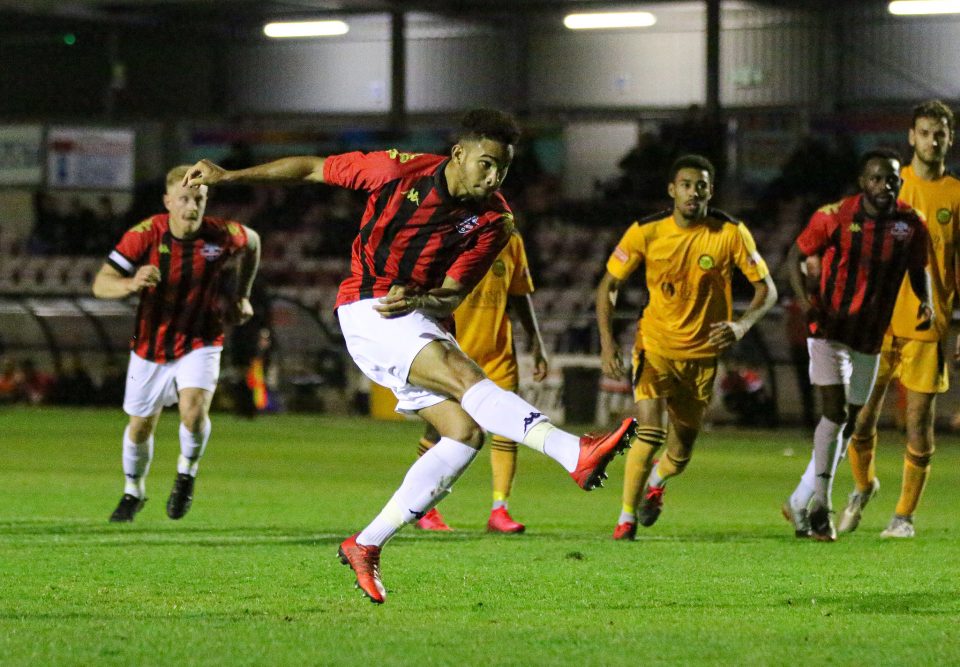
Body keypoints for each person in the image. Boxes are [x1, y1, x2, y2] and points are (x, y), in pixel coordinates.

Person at [183, 108, 635, 604]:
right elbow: (313, 168)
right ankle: (573, 452)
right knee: (466, 376)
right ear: (458, 154)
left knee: (464, 435)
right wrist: (230, 176)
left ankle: (366, 543)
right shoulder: (400, 170)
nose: (494, 176)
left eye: (503, 168)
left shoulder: (495, 221)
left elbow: (451, 294)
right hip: (366, 304)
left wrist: (421, 300)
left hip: (413, 314)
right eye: (486, 163)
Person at [596, 154, 778, 541]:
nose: (693, 192)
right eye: (686, 184)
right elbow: (607, 286)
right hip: (654, 347)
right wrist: (608, 343)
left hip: (701, 357)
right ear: (672, 190)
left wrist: (741, 325)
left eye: (701, 185)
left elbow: (768, 289)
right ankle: (625, 519)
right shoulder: (646, 231)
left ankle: (657, 483)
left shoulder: (729, 233)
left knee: (680, 454)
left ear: (711, 190)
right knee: (650, 431)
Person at [92, 165, 261, 523]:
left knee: (194, 410)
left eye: (198, 199)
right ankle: (133, 491)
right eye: (183, 199)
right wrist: (130, 283)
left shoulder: (222, 234)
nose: (191, 206)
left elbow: (254, 241)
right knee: (140, 425)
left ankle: (186, 473)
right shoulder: (146, 234)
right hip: (150, 346)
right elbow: (101, 283)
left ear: (206, 200)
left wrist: (243, 295)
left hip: (202, 338)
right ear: (168, 201)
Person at [782, 148, 932, 542]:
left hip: (870, 336)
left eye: (893, 178)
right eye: (877, 178)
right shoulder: (834, 216)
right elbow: (794, 255)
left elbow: (919, 270)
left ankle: (800, 498)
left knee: (846, 423)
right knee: (834, 414)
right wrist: (802, 299)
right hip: (829, 327)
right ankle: (822, 508)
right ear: (863, 182)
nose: (885, 185)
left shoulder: (911, 224)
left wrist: (927, 302)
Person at [835, 101, 960, 539]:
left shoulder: (955, 196)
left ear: (949, 137)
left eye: (940, 132)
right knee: (861, 419)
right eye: (924, 132)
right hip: (877, 322)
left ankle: (903, 516)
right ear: (911, 137)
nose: (932, 139)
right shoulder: (888, 184)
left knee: (918, 421)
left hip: (928, 326)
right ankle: (864, 486)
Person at [414, 229, 548, 534]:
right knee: (440, 431)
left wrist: (536, 340)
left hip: (498, 353)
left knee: (508, 428)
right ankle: (426, 507)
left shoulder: (511, 239)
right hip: (454, 351)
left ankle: (500, 510)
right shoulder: (448, 233)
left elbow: (520, 294)